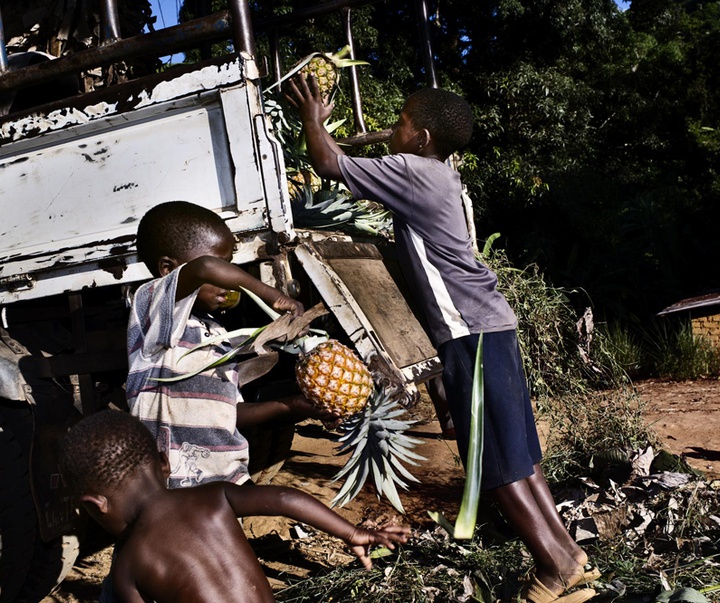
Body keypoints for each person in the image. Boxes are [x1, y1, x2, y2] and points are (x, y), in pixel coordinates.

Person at [287, 77, 599, 603]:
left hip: (468, 333)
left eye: (403, 122)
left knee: (493, 465)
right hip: (491, 326)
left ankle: (554, 568)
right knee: (519, 455)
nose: (393, 128)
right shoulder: (440, 174)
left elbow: (330, 165)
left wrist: (314, 119)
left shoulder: (415, 172)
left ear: (423, 136)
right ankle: (568, 555)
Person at [59, 410, 410, 603]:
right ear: (165, 463)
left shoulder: (127, 567)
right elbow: (285, 499)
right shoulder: (213, 498)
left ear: (95, 505)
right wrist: (353, 532)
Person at [127, 200, 334, 489]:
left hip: (224, 478)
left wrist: (293, 406)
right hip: (175, 485)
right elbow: (204, 267)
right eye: (224, 268)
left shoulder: (216, 335)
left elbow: (230, 412)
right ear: (167, 269)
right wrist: (270, 294)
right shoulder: (154, 309)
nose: (229, 281)